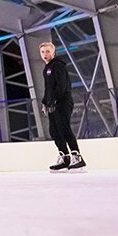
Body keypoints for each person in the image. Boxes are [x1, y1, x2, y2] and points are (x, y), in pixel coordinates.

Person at [39, 41, 86, 171]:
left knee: (64, 129)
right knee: (54, 131)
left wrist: (53, 99)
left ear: (53, 52)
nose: (45, 54)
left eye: (48, 51)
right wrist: (45, 101)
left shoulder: (58, 66)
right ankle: (64, 157)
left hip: (62, 102)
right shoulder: (47, 68)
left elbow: (62, 86)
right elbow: (48, 88)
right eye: (43, 52)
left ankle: (77, 157)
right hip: (52, 103)